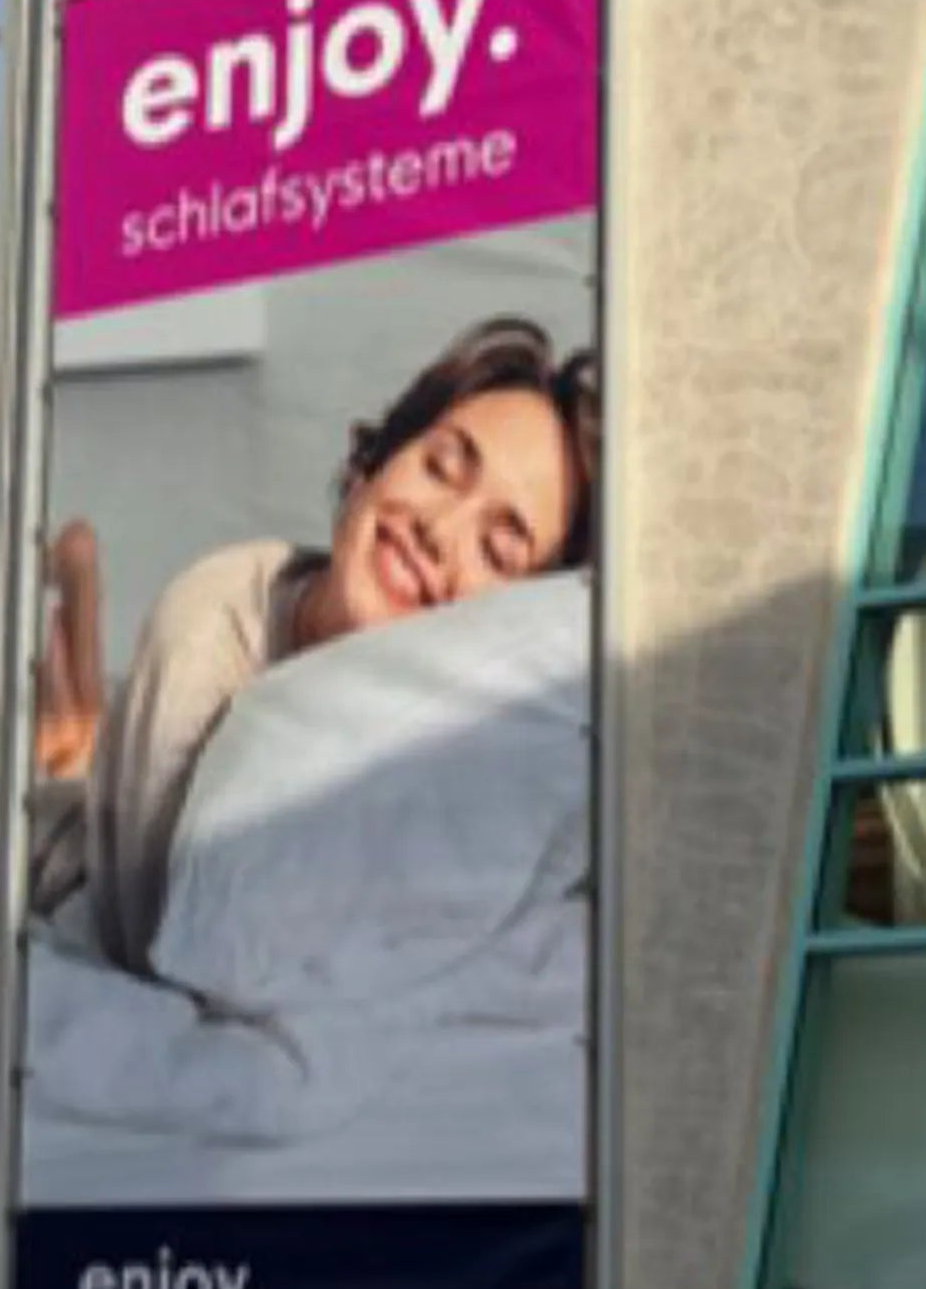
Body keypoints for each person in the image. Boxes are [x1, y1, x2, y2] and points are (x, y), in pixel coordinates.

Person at [30, 315, 598, 975]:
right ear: (370, 468)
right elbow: (154, 944)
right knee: (61, 811)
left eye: (497, 549)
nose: (439, 529)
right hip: (84, 859)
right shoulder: (210, 628)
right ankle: (78, 613)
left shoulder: (479, 744)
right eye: (441, 466)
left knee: (84, 745)